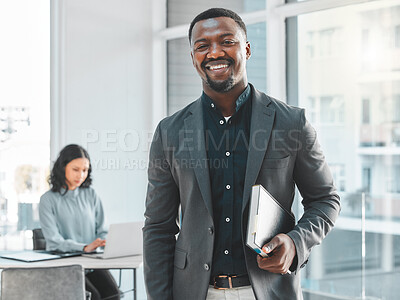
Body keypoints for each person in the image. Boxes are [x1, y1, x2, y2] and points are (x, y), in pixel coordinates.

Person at [143, 7, 341, 300]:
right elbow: (158, 228)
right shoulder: (169, 132)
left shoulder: (291, 123)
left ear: (246, 49)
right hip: (195, 292)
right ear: (193, 58)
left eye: (226, 41)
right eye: (202, 45)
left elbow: (326, 200)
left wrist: (296, 242)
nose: (214, 52)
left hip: (270, 290)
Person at [39, 144, 120, 300]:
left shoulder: (91, 194)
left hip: (92, 262)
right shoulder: (48, 200)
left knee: (113, 294)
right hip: (65, 264)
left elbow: (102, 229)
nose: (81, 175)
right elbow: (54, 242)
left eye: (85, 170)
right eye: (75, 169)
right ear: (63, 168)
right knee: (93, 296)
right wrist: (84, 247)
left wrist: (104, 241)